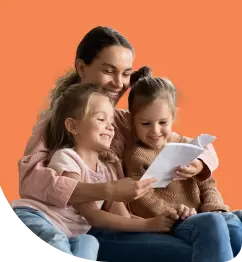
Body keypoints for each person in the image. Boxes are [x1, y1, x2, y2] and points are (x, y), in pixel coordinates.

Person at [16, 26, 224, 261]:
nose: (119, 83)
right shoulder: (53, 125)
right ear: (82, 68)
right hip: (79, 224)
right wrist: (108, 191)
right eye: (108, 71)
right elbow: (31, 181)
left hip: (102, 225)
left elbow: (186, 141)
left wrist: (198, 162)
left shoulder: (125, 121)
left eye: (126, 74)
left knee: (223, 231)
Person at [124, 75, 242, 258]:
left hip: (204, 211)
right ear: (133, 121)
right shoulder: (137, 156)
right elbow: (142, 199)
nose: (155, 131)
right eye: (146, 123)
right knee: (214, 223)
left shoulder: (188, 146)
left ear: (174, 116)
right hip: (176, 219)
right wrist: (175, 212)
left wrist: (214, 206)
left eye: (162, 122)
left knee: (233, 222)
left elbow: (207, 182)